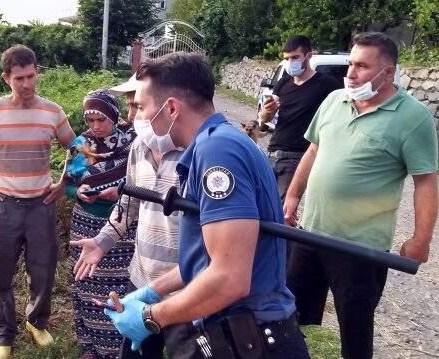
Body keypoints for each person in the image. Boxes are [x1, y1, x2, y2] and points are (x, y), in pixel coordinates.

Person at [101, 52, 310, 358]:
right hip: (239, 334)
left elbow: (229, 278)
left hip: (254, 340)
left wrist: (151, 317)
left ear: (171, 107)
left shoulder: (217, 151)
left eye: (143, 107)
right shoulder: (211, 145)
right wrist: (152, 291)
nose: (136, 118)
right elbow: (208, 259)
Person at [283, 32, 438, 359]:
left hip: (359, 247)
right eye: (350, 63)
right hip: (311, 233)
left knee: (355, 330)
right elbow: (314, 148)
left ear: (388, 71)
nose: (350, 73)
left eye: (362, 66)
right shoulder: (334, 100)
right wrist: (293, 195)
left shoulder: (413, 118)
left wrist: (421, 239)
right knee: (286, 315)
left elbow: (425, 181)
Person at [0, 44, 76, 359]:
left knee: (44, 269)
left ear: (38, 73)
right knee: (0, 273)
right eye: (19, 78)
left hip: (41, 204)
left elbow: (75, 147)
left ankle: (37, 321)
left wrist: (64, 183)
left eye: (31, 76)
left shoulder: (52, 111)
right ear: (5, 77)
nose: (27, 84)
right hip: (4, 205)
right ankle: (3, 336)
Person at [70, 81, 203, 358]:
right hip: (141, 282)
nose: (130, 117)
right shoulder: (140, 148)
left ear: (169, 107)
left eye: (138, 106)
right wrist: (102, 241)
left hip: (186, 289)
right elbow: (128, 204)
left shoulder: (201, 154)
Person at [65, 90, 137, 359]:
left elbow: (139, 182)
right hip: (85, 222)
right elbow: (68, 185)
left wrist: (120, 192)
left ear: (114, 117)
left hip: (122, 225)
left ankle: (120, 345)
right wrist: (78, 193)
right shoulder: (79, 144)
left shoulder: (130, 142)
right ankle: (90, 345)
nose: (95, 127)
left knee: (120, 286)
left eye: (101, 120)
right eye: (90, 120)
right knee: (85, 281)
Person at [259, 35, 340, 201]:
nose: (291, 62)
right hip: (273, 152)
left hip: (298, 157)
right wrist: (266, 112)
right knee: (263, 205)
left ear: (308, 56)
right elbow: (267, 118)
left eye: (295, 57)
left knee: (280, 211)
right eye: (287, 59)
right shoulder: (283, 83)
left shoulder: (327, 84)